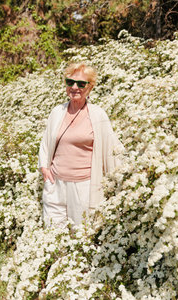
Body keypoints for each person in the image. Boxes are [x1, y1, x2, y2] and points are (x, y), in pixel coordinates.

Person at [38, 62, 123, 227]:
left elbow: (113, 148)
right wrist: (44, 167)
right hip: (56, 183)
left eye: (81, 84)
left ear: (89, 87)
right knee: (53, 234)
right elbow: (46, 142)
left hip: (83, 185)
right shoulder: (57, 112)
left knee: (82, 232)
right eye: (70, 82)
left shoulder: (98, 115)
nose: (74, 87)